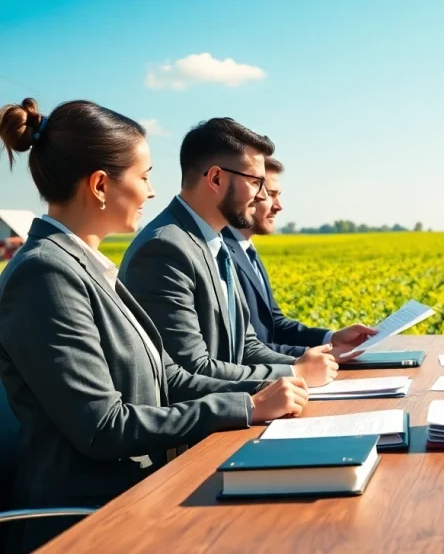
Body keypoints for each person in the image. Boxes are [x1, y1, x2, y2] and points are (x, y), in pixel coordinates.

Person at [0, 98, 309, 553]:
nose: (150, 193)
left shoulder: (85, 267)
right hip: (94, 522)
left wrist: (260, 397)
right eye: (143, 177)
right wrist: (244, 409)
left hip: (144, 494)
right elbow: (103, 426)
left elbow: (169, 375)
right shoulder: (44, 274)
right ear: (101, 185)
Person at [119, 118, 374, 386]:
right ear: (216, 178)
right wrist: (295, 373)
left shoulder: (214, 243)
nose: (262, 195)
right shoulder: (165, 249)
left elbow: (247, 347)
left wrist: (302, 364)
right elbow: (191, 369)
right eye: (255, 182)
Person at [222, 157, 354, 357]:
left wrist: (331, 338)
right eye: (270, 195)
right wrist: (315, 355)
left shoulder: (247, 250)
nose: (279, 206)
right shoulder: (221, 253)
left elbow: (275, 324)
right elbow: (241, 346)